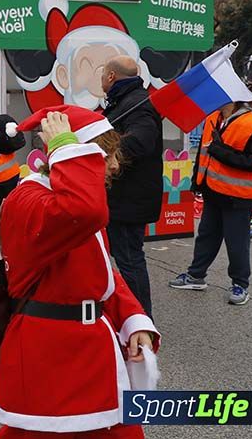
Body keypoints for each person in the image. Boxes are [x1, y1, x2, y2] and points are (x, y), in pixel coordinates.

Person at [0, 106, 159, 437]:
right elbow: (86, 211)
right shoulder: (30, 200)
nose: (114, 165)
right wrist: (65, 145)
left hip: (89, 348)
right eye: (105, 154)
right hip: (52, 355)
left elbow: (102, 274)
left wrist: (132, 320)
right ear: (75, 156)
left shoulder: (64, 198)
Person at [170, 99, 252, 305]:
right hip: (213, 191)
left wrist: (220, 150)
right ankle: (196, 275)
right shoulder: (213, 119)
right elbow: (203, 155)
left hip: (239, 196)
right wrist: (196, 183)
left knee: (236, 243)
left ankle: (240, 285)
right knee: (207, 236)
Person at [101, 55, 162, 317]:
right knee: (123, 256)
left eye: (103, 73)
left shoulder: (138, 105)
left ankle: (139, 319)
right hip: (123, 196)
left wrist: (108, 154)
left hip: (129, 199)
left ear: (112, 76)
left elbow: (140, 142)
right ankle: (127, 312)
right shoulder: (125, 102)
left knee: (130, 259)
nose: (101, 78)